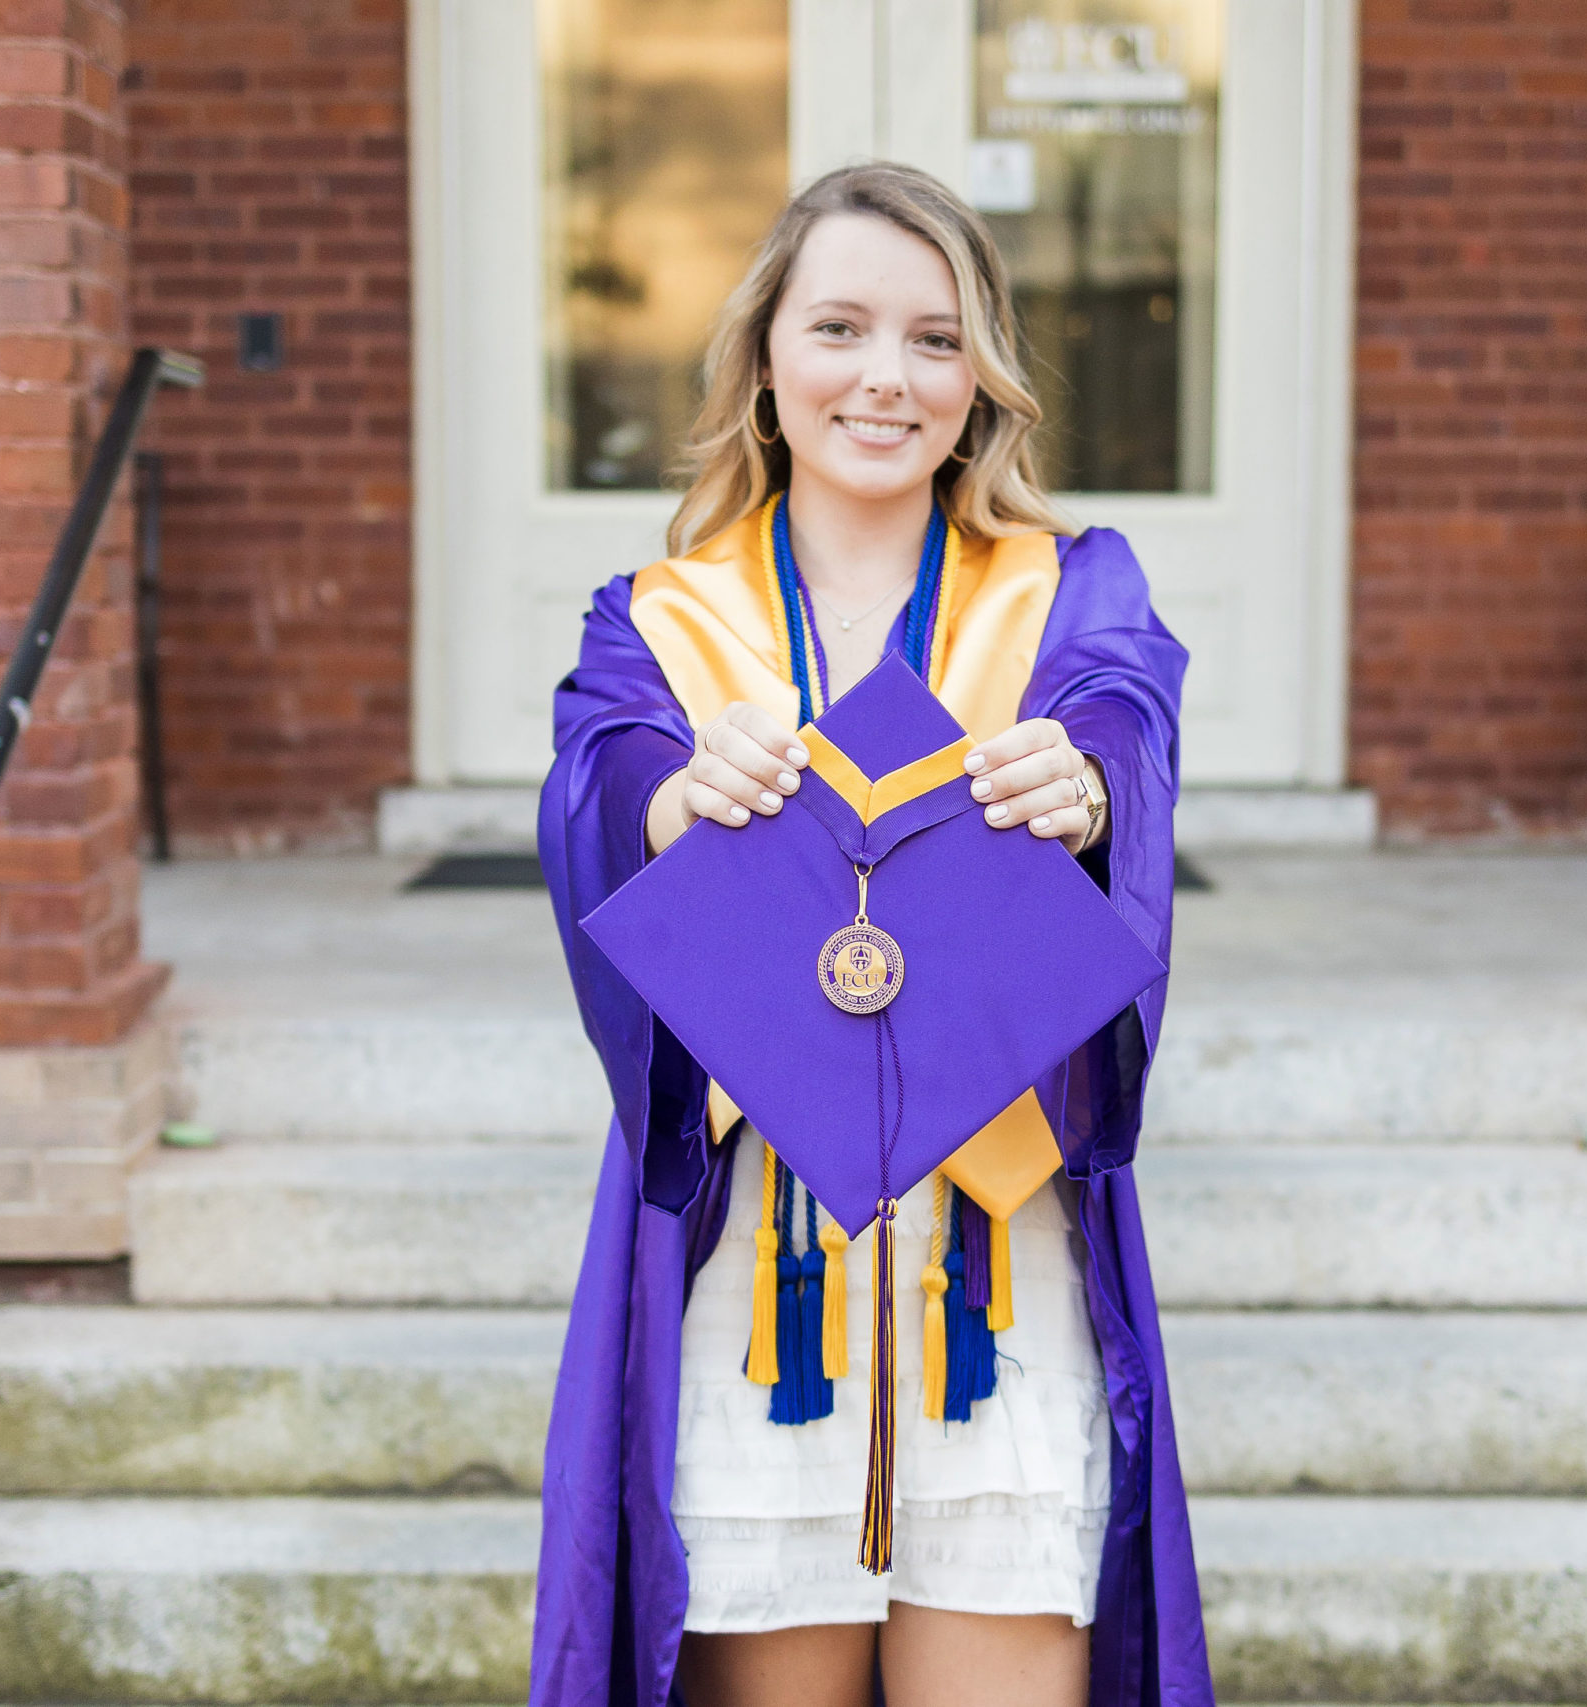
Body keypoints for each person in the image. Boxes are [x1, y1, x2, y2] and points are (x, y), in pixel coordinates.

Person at [534, 162, 1205, 1707]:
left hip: (1001, 1276)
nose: (885, 378)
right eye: (839, 326)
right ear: (767, 357)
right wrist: (664, 799)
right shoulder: (662, 619)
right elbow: (607, 771)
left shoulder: (1063, 595)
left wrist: (1087, 786)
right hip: (751, 1300)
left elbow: (1122, 719)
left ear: (981, 382)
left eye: (933, 338)